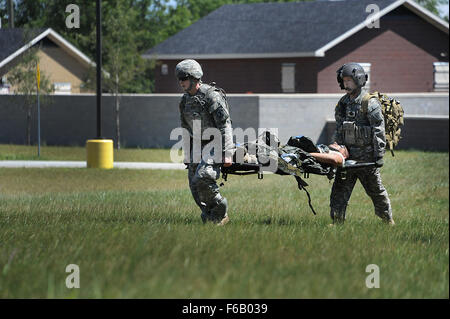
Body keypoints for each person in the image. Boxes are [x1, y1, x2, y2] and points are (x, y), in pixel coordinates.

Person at [330, 62, 394, 225]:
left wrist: (379, 155)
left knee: (376, 192)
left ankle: (388, 221)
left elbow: (378, 131)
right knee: (338, 191)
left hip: (367, 161)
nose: (346, 84)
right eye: (344, 81)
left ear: (358, 80)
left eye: (349, 80)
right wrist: (335, 150)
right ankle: (337, 222)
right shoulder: (342, 104)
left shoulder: (369, 103)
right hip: (348, 159)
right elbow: (338, 130)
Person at [175, 59, 234, 226]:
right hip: (197, 144)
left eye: (184, 78)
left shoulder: (212, 96)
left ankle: (220, 213)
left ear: (194, 77)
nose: (181, 82)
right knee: (194, 184)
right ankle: (209, 216)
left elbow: (225, 125)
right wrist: (187, 153)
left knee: (203, 177)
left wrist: (227, 153)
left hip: (215, 142)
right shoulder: (184, 100)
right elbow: (185, 128)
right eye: (179, 79)